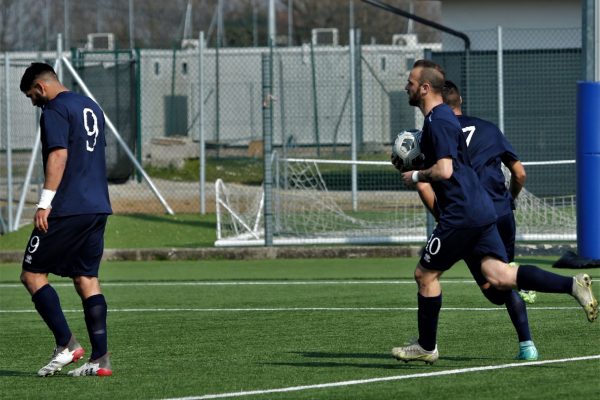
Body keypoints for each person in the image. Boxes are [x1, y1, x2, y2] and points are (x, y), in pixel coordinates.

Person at [390, 59, 598, 365]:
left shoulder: (438, 121)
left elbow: (446, 170)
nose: (406, 86)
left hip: (461, 213)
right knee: (499, 276)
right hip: (481, 209)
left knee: (425, 275)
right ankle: (572, 284)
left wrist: (416, 176)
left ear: (424, 88)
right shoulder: (443, 118)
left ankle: (426, 345)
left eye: (410, 82)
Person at [413, 80, 537, 360]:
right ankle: (527, 343)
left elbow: (425, 185)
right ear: (461, 101)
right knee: (501, 281)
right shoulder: (489, 128)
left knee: (489, 288)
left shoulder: (436, 131)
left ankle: (426, 344)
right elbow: (519, 174)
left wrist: (444, 219)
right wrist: (510, 200)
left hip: (466, 216)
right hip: (500, 212)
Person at [19, 62, 113, 377]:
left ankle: (66, 344)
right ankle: (101, 359)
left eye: (32, 95)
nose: (33, 102)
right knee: (86, 278)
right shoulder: (91, 106)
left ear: (41, 87)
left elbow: (59, 155)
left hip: (68, 207)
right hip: (97, 205)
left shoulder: (55, 110)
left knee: (32, 274)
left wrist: (44, 204)